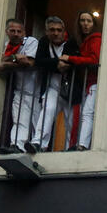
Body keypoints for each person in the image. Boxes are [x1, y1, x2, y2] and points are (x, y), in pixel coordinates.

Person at [27, 16, 80, 152]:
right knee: (47, 110)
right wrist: (57, 64)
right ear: (46, 31)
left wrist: (62, 64)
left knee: (71, 121)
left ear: (63, 31)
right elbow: (39, 61)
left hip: (70, 88)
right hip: (52, 87)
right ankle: (38, 143)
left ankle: (71, 148)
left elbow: (73, 62)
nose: (55, 33)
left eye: (58, 30)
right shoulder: (44, 42)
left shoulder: (71, 42)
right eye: (52, 30)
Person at [0, 18, 39, 154]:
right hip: (20, 90)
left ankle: (39, 148)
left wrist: (7, 62)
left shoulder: (31, 42)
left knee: (36, 123)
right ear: (7, 32)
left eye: (19, 31)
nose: (16, 34)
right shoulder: (6, 45)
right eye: (12, 31)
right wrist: (16, 58)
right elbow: (15, 60)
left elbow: (28, 62)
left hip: (36, 91)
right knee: (19, 121)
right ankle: (16, 145)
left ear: (24, 32)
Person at [62, 11, 101, 150]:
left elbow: (94, 60)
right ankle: (78, 144)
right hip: (88, 83)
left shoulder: (95, 38)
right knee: (82, 115)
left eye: (89, 21)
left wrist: (70, 59)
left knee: (87, 114)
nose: (85, 23)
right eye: (82, 20)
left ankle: (82, 145)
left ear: (94, 24)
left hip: (93, 82)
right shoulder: (84, 41)